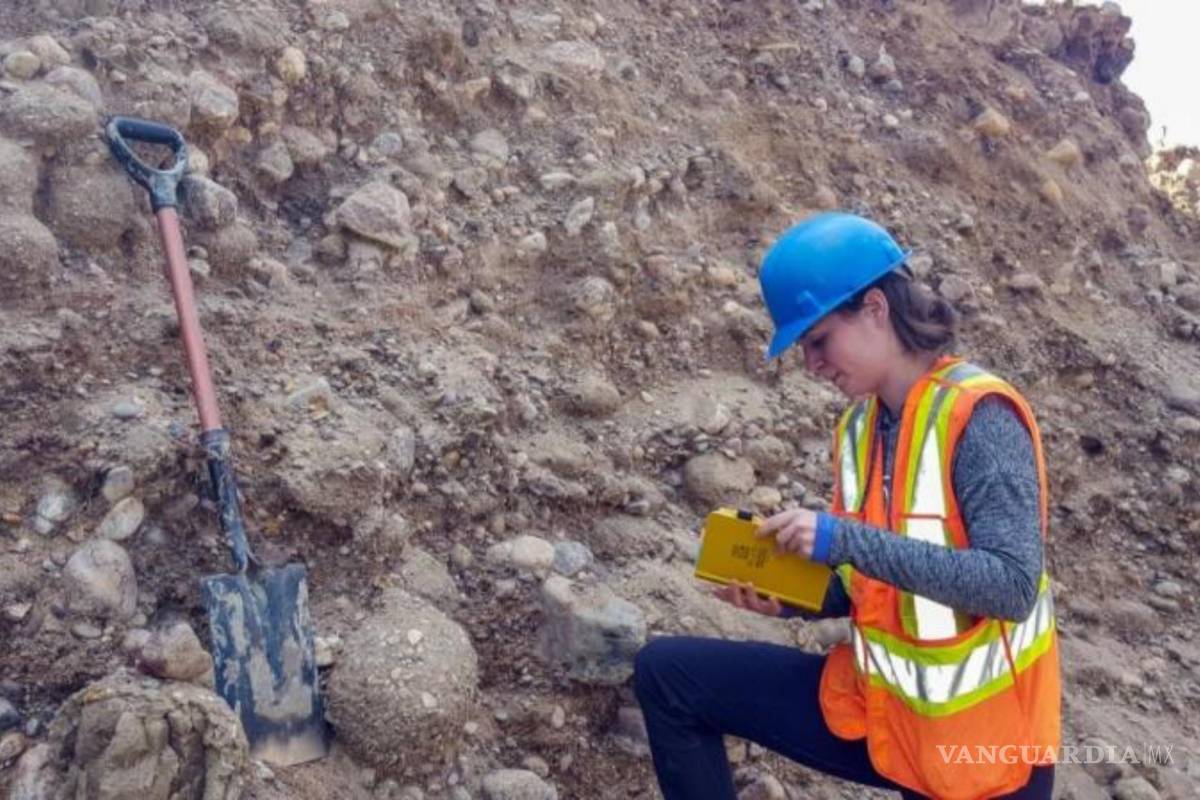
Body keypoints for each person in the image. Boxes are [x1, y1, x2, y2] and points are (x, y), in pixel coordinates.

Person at [633, 213, 1060, 800]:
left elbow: (1010, 586)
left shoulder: (979, 417)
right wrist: (795, 597)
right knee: (669, 675)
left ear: (876, 308)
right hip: (882, 710)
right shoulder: (861, 428)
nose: (812, 364)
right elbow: (878, 587)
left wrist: (840, 539)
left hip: (981, 752)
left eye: (818, 340)